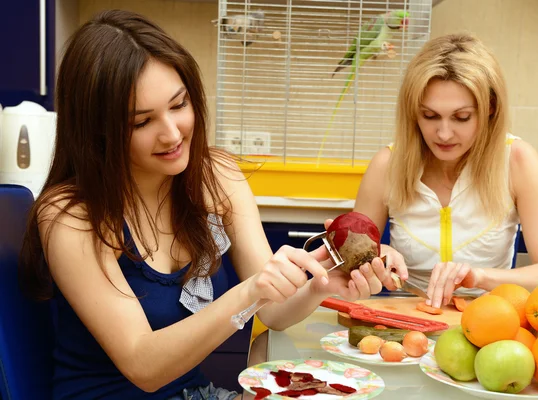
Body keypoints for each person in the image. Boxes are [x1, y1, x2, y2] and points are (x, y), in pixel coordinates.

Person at [19, 10, 395, 400]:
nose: (172, 133)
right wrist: (251, 291)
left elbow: (272, 313)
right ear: (98, 131)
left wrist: (319, 283)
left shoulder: (215, 177)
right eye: (141, 122)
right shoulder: (72, 215)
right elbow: (143, 366)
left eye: (179, 105)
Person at [354, 33, 538, 310]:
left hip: (489, 326)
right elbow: (351, 259)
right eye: (429, 116)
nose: (444, 134)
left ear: (490, 108)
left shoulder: (518, 161)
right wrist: (374, 255)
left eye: (462, 117)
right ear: (413, 112)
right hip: (408, 328)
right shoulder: (387, 165)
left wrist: (478, 277)